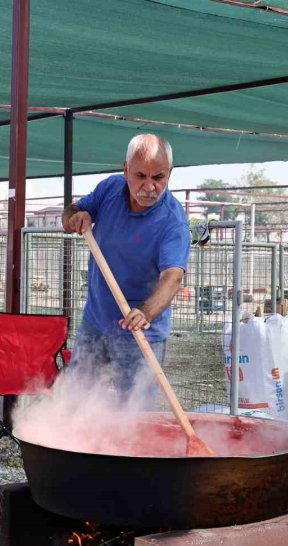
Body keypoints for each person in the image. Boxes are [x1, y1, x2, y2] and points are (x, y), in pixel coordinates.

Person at [62, 134, 191, 394]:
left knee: (133, 414)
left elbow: (172, 277)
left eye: (158, 178)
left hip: (142, 334)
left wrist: (144, 312)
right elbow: (70, 213)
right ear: (125, 170)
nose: (149, 187)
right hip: (95, 323)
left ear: (170, 174)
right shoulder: (109, 189)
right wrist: (76, 217)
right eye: (140, 175)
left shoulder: (173, 222)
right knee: (75, 397)